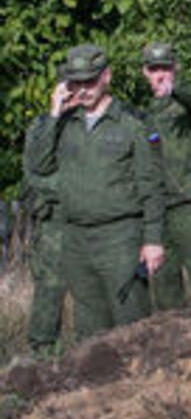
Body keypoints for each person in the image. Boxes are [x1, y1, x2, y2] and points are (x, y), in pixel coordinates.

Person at [25, 44, 165, 340]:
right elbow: (38, 165)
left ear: (106, 77)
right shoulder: (63, 123)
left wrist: (153, 239)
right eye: (76, 82)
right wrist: (54, 113)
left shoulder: (132, 124)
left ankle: (142, 384)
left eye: (90, 81)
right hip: (76, 238)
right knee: (90, 335)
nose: (84, 89)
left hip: (120, 237)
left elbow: (151, 186)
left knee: (133, 326)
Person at [140, 42, 191, 308]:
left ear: (175, 68)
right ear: (145, 72)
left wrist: (174, 91)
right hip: (159, 212)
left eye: (165, 68)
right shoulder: (144, 116)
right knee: (165, 288)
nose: (160, 75)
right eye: (154, 69)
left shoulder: (186, 106)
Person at [22, 112, 67, 353]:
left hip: (97, 216)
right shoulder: (42, 126)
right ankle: (43, 350)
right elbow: (35, 172)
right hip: (54, 218)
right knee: (50, 285)